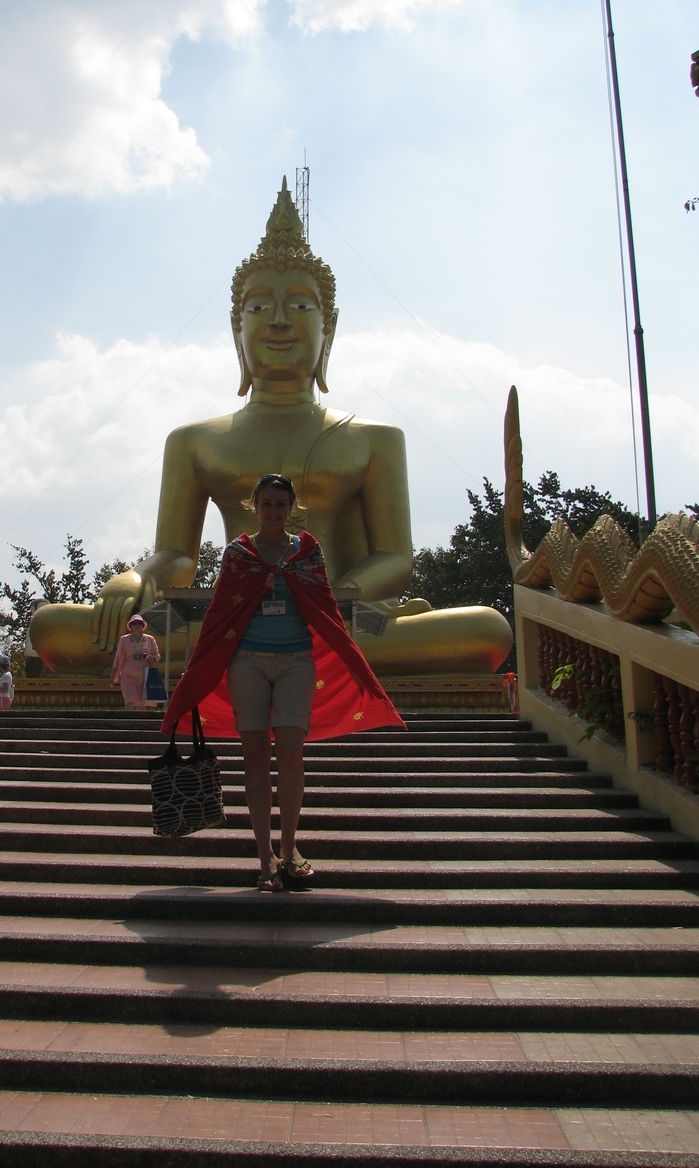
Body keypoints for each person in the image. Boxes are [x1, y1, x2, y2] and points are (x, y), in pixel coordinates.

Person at [30, 179, 512, 677]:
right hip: (229, 614)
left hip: (337, 613)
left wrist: (328, 597)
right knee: (53, 627)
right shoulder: (194, 441)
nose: (279, 321)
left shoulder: (374, 439)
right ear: (236, 329)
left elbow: (395, 559)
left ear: (329, 327)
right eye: (259, 307)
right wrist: (137, 576)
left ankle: (219, 655)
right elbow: (177, 556)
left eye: (300, 306)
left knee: (485, 630)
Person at [162, 473, 404, 893]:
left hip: (296, 661)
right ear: (254, 506)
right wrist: (199, 664)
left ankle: (289, 848)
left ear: (292, 508)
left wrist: (353, 659)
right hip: (247, 663)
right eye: (267, 504)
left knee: (291, 751)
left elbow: (327, 608)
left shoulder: (308, 552)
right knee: (255, 756)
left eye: (281, 504)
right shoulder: (238, 554)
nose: (274, 511)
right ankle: (264, 857)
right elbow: (220, 610)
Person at [111, 615, 161, 710]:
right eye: (134, 624)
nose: (137, 625)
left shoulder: (150, 639)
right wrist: (112, 676)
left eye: (139, 623)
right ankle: (128, 719)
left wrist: (150, 657)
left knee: (142, 704)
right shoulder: (124, 639)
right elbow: (118, 658)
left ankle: (140, 720)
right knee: (129, 701)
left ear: (143, 626)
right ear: (130, 626)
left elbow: (157, 656)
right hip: (128, 675)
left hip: (144, 675)